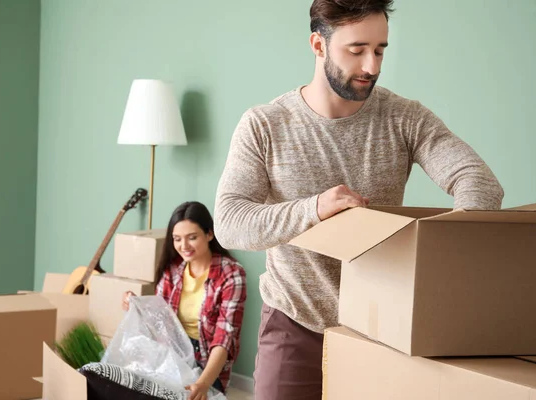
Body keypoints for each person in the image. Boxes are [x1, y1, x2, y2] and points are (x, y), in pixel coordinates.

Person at [213, 0, 504, 399]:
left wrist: (445, 253)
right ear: (318, 45)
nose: (372, 65)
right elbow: (230, 222)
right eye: (357, 50)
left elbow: (479, 182)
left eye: (380, 49)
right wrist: (313, 209)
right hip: (294, 323)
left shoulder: (405, 118)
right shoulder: (264, 124)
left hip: (383, 330)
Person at [122, 201, 247, 400]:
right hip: (173, 355)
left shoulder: (232, 275)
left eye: (192, 238)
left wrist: (203, 383)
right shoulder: (173, 271)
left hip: (209, 361)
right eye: (177, 239)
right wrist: (135, 304)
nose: (184, 246)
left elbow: (224, 338)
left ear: (209, 234)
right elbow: (158, 318)